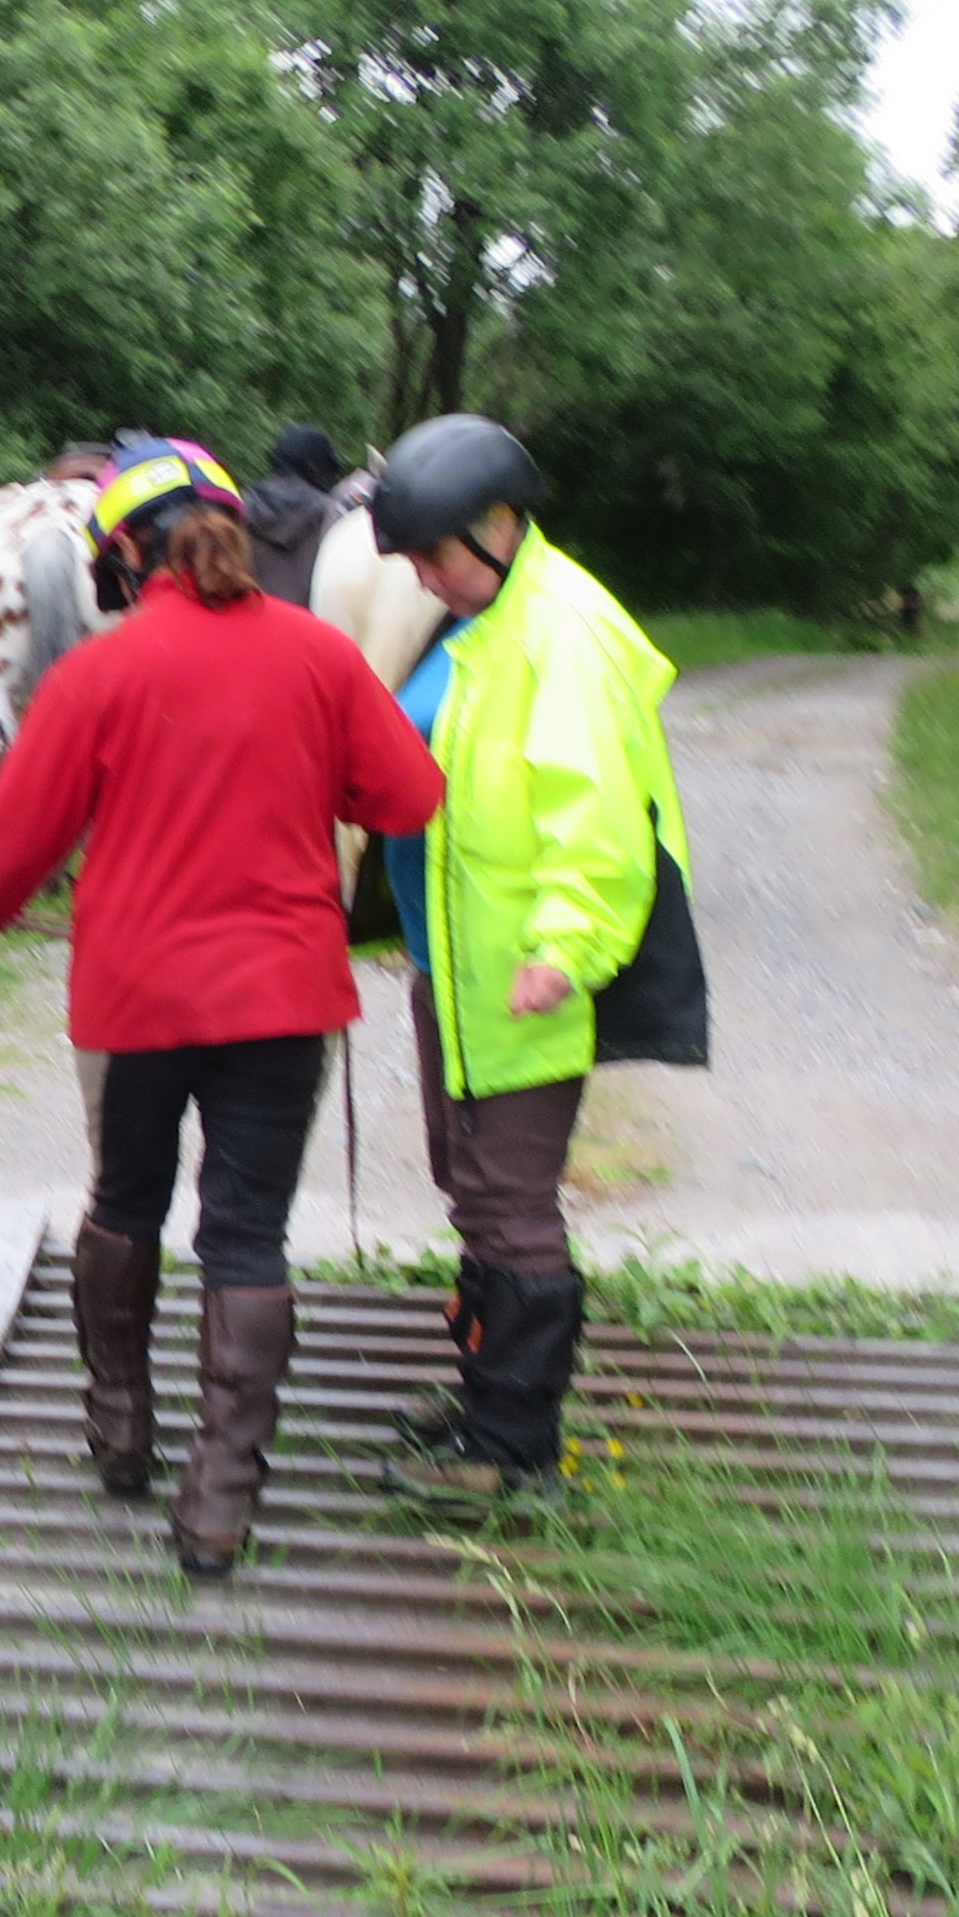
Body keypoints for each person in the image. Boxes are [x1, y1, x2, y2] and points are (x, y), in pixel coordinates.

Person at [0, 433, 443, 1574]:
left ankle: (120, 1433)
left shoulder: (96, 676)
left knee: (123, 1201)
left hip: (137, 999)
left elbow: (17, 837)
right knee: (245, 1234)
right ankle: (218, 1501)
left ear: (122, 555)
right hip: (282, 1000)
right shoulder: (318, 656)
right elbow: (408, 797)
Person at [361, 414, 708, 1510]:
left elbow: (596, 819)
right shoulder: (485, 621)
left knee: (510, 1203)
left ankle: (513, 1452)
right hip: (457, 966)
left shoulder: (561, 631)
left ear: (495, 526)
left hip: (522, 976)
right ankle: (485, 1392)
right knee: (471, 1190)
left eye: (432, 555)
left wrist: (563, 949)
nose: (421, 578)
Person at [238, 423, 353, 607]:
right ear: (316, 467)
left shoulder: (238, 507)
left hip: (247, 616)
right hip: (307, 621)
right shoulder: (333, 515)